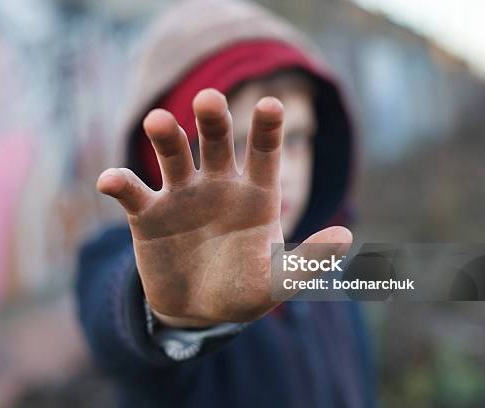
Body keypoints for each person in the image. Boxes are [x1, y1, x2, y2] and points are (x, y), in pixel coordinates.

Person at [75, 0, 376, 406]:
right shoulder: (119, 264)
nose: (282, 172)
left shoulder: (326, 266)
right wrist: (170, 316)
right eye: (238, 145)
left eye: (297, 139)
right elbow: (114, 323)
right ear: (166, 160)